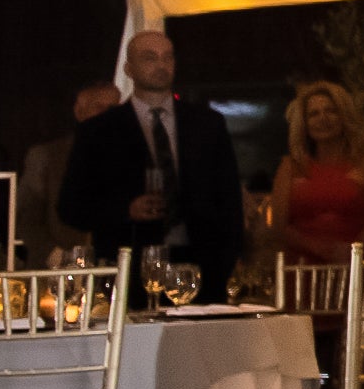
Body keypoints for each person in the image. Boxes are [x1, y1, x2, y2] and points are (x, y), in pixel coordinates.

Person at [59, 29, 246, 294]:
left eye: (168, 58)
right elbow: (70, 207)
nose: (161, 65)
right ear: (128, 68)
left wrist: (227, 258)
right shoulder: (100, 130)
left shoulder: (206, 124)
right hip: (130, 266)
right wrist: (125, 210)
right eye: (150, 58)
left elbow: (228, 197)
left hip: (201, 265)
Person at [267, 81, 364, 274]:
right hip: (300, 268)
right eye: (314, 114)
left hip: (353, 265)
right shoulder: (290, 166)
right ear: (304, 122)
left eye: (331, 111)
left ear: (343, 116)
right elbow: (278, 226)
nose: (323, 119)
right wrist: (318, 248)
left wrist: (351, 250)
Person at [7, 80, 112, 270]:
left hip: (115, 275)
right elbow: (27, 220)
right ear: (80, 112)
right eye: (99, 108)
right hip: (55, 280)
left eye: (115, 109)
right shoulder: (47, 157)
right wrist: (59, 258)